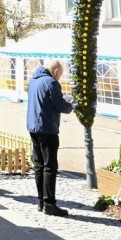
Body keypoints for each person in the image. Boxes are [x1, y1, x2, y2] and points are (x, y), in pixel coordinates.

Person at [26, 59, 73, 217]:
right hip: (47, 128)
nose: (60, 77)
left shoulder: (33, 80)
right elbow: (61, 106)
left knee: (39, 165)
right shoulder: (51, 83)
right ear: (56, 71)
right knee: (50, 166)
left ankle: (40, 201)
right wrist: (71, 104)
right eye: (61, 74)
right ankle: (49, 204)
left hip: (33, 127)